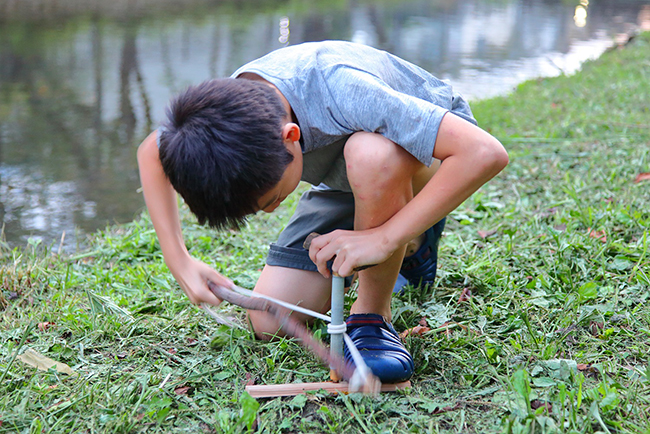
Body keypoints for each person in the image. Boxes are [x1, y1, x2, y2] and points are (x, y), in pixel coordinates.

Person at [137, 40, 508, 383]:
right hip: (346, 180)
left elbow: (485, 153)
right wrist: (180, 261)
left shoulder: (341, 89)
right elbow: (152, 150)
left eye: (271, 200)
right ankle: (412, 246)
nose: (268, 213)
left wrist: (383, 238)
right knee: (269, 321)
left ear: (291, 138)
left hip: (430, 157)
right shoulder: (217, 114)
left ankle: (373, 317)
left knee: (371, 154)